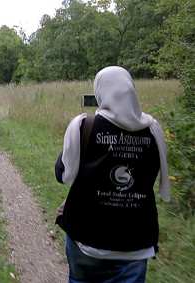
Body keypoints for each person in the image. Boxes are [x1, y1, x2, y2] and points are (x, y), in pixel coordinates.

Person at [54, 66, 170, 283]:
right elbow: (162, 184)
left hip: (86, 240)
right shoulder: (153, 129)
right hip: (136, 245)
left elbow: (64, 176)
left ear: (100, 92)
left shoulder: (83, 125)